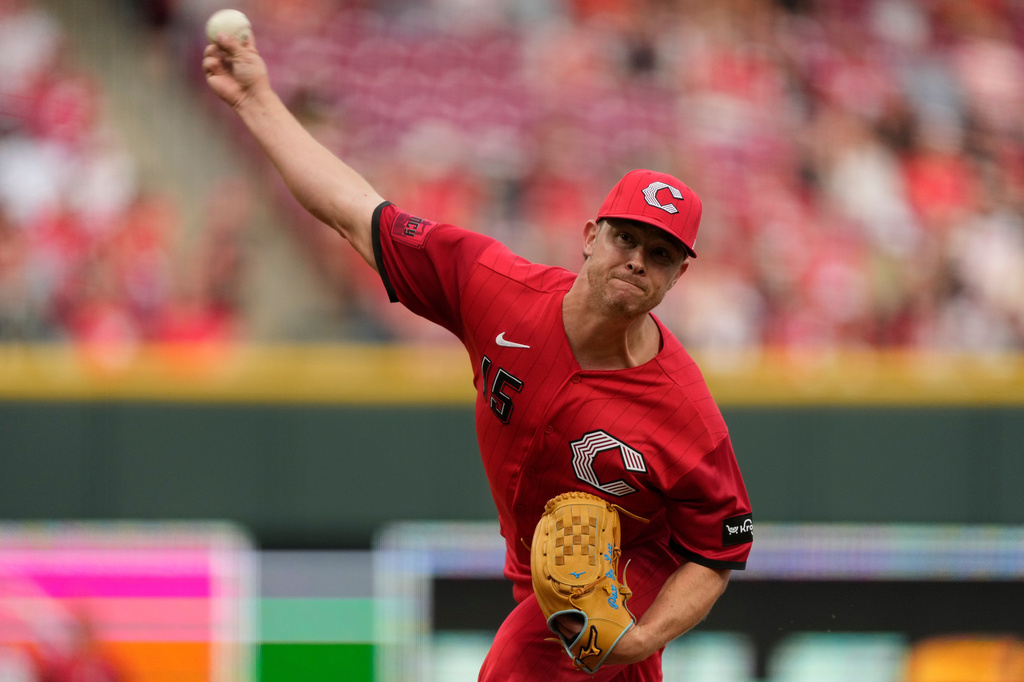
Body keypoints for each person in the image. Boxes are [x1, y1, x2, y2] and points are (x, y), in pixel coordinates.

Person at [203, 28, 752, 682]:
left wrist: (643, 638)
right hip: (543, 577)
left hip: (615, 580)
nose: (637, 260)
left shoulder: (684, 412)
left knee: (533, 646)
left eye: (660, 254)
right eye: (625, 238)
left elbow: (717, 550)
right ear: (588, 236)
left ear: (677, 277)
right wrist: (256, 98)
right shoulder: (496, 290)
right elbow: (354, 211)